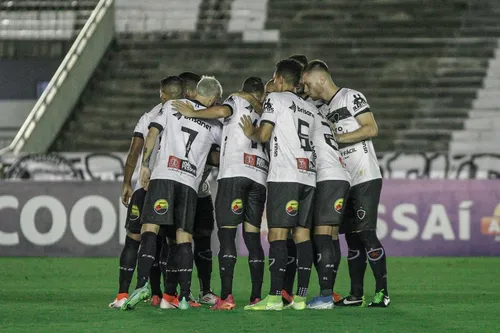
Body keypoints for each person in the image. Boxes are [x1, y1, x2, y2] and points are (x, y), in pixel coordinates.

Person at [121, 76, 223, 311]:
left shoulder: (170, 106)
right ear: (215, 99)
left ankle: (144, 284)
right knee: (183, 235)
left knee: (150, 228)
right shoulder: (215, 124)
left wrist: (145, 165)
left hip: (163, 175)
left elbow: (152, 134)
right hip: (189, 183)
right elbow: (221, 154)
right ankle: (181, 297)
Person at [172, 77, 268, 310]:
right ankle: (256, 297)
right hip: (259, 175)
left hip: (234, 173)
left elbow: (223, 110)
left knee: (227, 236)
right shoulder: (265, 112)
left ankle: (227, 297)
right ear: (260, 93)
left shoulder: (235, 100)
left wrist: (193, 113)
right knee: (253, 238)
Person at [302, 60, 390, 307]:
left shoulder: (351, 96)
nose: (306, 88)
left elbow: (371, 128)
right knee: (351, 238)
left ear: (321, 78)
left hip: (364, 175)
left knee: (366, 234)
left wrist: (336, 139)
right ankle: (356, 294)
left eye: (308, 83)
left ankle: (383, 292)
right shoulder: (319, 108)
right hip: (342, 179)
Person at [239, 59, 316, 311]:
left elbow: (264, 135)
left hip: (285, 175)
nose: (271, 83)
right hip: (308, 176)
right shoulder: (309, 108)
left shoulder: (275, 99)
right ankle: (301, 298)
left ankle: (273, 298)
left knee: (277, 235)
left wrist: (251, 131)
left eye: (273, 78)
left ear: (281, 80)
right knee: (302, 233)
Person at [108, 76, 183, 309]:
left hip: (146, 184)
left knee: (135, 240)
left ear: (162, 95)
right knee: (168, 242)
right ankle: (163, 295)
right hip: (175, 185)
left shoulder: (149, 117)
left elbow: (134, 152)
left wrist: (126, 183)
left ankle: (122, 295)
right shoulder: (190, 116)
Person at [305, 106, 351, 309]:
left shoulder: (306, 114)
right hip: (340, 174)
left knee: (322, 233)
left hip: (328, 175)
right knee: (331, 235)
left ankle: (325, 296)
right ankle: (329, 291)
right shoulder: (323, 119)